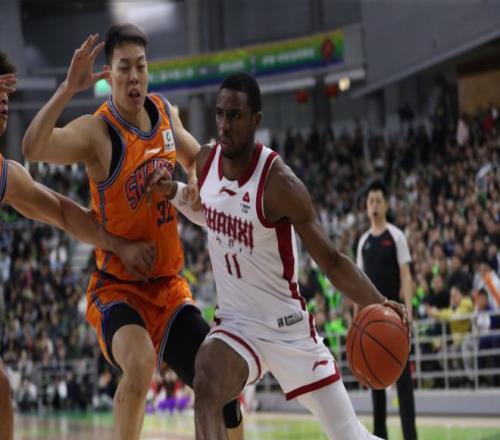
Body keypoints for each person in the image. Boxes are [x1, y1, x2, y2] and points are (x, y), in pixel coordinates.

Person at [145, 72, 407, 440]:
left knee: (349, 434)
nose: (224, 125)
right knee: (206, 381)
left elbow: (331, 261)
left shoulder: (280, 184)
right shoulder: (206, 164)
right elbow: (211, 212)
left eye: (235, 115)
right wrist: (173, 191)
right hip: (237, 325)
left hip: (287, 328)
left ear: (256, 120)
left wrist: (379, 302)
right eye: (219, 114)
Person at [22, 25, 242, 440]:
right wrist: (68, 89)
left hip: (168, 288)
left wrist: (197, 178)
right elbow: (33, 148)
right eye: (124, 68)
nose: (135, 77)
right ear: (108, 74)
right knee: (140, 363)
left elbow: (198, 157)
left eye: (141, 66)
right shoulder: (97, 133)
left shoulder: (163, 112)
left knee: (221, 379)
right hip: (118, 288)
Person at [0, 53, 154, 440]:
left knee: (0, 390)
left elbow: (63, 212)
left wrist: (117, 244)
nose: (4, 102)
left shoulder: (4, 175)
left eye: (5, 95)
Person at [356, 180, 417, 440]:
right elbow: (358, 282)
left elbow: (406, 276)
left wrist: (408, 313)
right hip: (371, 323)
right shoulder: (363, 242)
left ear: (386, 204)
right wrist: (357, 319)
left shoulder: (396, 236)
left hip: (395, 320)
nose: (374, 205)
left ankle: (410, 436)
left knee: (404, 386)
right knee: (375, 384)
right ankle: (380, 436)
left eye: (378, 201)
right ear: (366, 206)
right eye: (370, 201)